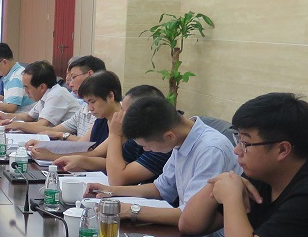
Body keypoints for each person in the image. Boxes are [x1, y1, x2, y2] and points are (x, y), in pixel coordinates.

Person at [179, 93, 308, 237]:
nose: (237, 150)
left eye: (245, 143)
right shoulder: (263, 173)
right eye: (238, 139)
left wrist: (231, 197)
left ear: (282, 150)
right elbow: (189, 225)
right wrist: (217, 184)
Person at [85, 94, 239, 226]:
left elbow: (190, 215)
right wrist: (110, 191)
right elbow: (161, 188)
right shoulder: (181, 138)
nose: (146, 150)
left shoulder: (210, 150)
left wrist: (132, 210)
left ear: (169, 136)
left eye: (147, 146)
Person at [44, 78, 171, 185]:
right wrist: (78, 160)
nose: (90, 108)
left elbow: (117, 178)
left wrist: (115, 134)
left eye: (92, 102)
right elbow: (109, 161)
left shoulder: (160, 142)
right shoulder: (110, 124)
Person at [21, 55, 106, 140]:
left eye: (73, 77)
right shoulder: (83, 109)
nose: (70, 84)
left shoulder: (103, 113)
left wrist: (61, 135)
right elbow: (52, 131)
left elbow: (91, 145)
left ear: (90, 75)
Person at [0, 60, 80, 131]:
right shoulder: (46, 94)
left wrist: (15, 125)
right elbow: (29, 117)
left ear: (41, 87)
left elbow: (42, 125)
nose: (25, 92)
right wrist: (5, 116)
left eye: (27, 87)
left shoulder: (57, 94)